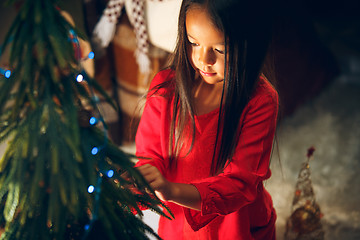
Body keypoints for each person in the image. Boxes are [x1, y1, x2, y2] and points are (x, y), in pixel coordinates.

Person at [134, 0, 279, 239]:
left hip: (238, 227)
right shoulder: (165, 89)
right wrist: (143, 181)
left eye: (220, 50)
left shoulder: (261, 101)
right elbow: (150, 157)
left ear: (251, 44)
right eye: (193, 43)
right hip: (179, 226)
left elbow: (239, 184)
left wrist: (171, 190)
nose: (204, 59)